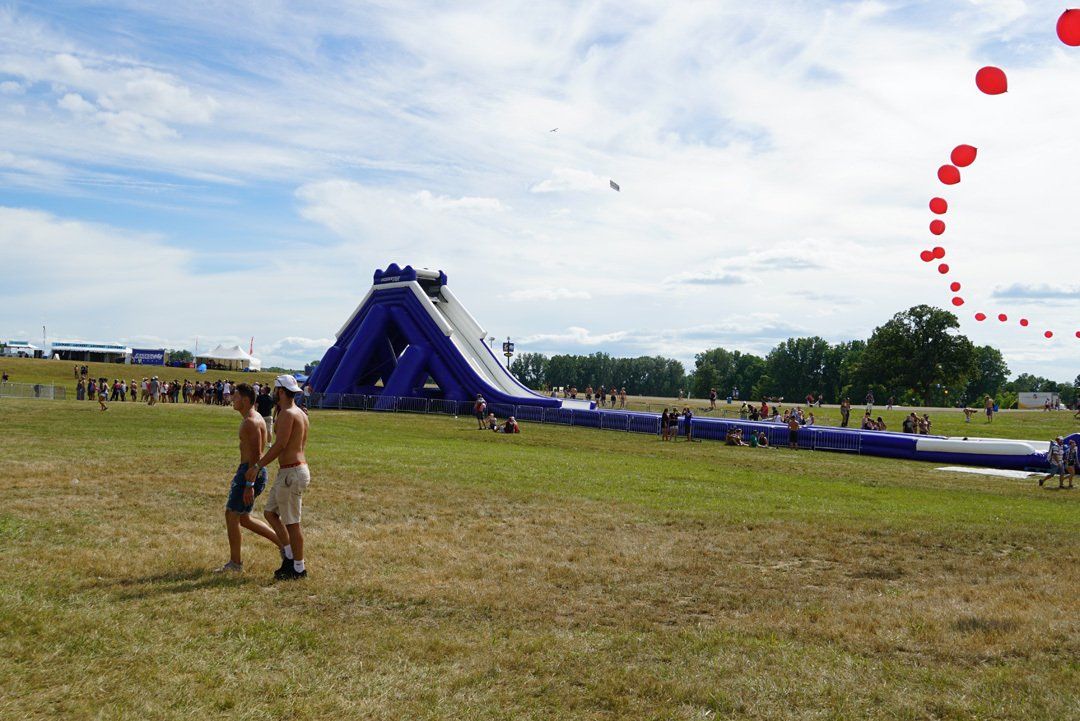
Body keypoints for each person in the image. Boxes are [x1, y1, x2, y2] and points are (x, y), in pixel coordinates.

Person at [246, 375, 311, 580]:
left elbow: (280, 444)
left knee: (292, 523)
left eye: (276, 390)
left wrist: (258, 465)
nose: (274, 393)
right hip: (292, 471)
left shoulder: (287, 414)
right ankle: (290, 558)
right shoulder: (300, 413)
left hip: (291, 472)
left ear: (281, 391)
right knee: (270, 513)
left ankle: (298, 568)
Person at [215, 383, 282, 573]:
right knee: (244, 518)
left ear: (245, 400)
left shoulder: (250, 422)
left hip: (249, 472)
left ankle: (235, 563)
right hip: (251, 472)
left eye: (235, 397)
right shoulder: (255, 418)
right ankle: (283, 544)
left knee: (232, 514)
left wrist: (249, 485)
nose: (232, 400)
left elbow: (256, 456)